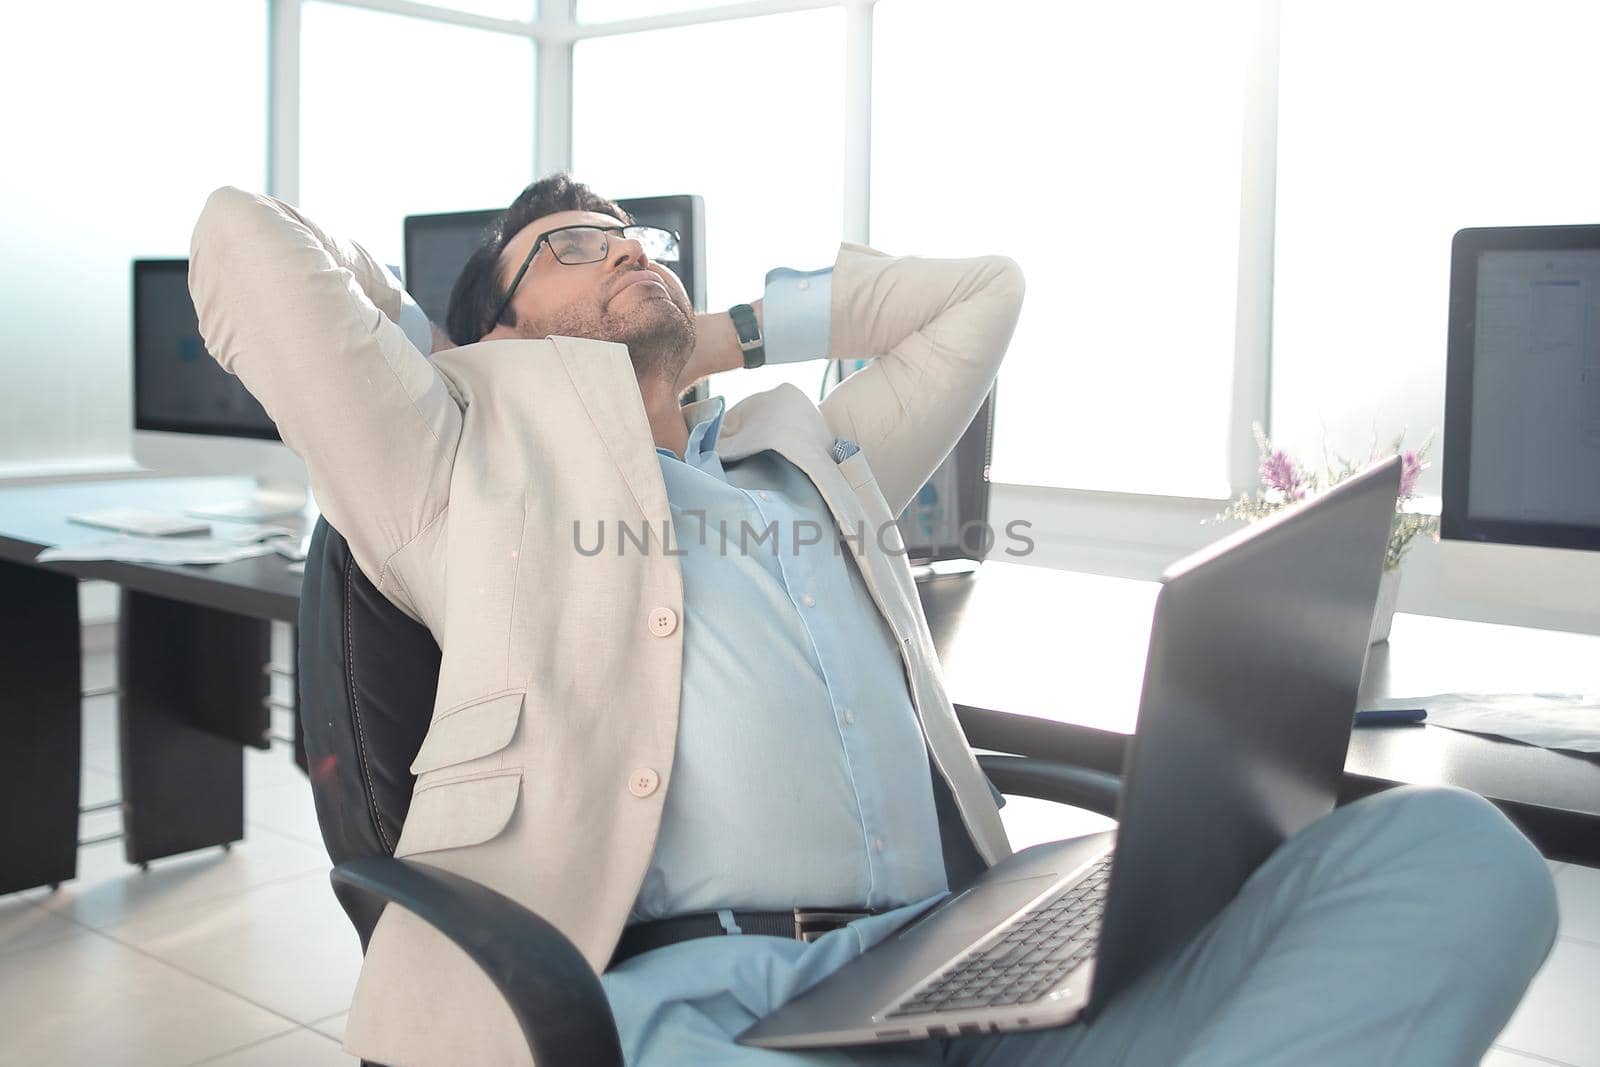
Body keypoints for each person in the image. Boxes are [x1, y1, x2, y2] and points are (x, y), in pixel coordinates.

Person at [188, 175, 1556, 1067]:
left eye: (635, 241)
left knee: (1452, 853)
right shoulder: (454, 470)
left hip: (951, 974)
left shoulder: (815, 455)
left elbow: (984, 294)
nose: (621, 254)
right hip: (699, 1018)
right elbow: (243, 248)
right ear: (493, 333)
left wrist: (699, 331)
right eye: (570, 251)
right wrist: (464, 361)